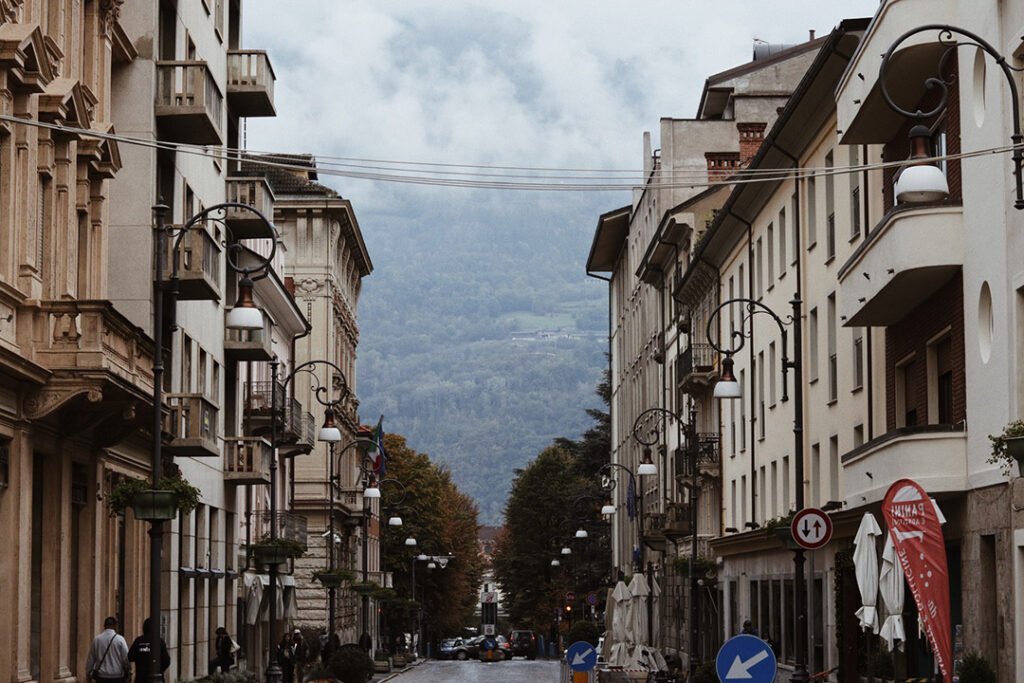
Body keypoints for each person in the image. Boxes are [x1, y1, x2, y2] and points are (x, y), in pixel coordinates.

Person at [86, 617, 130, 683]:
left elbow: (91, 659)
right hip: (117, 676)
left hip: (101, 677)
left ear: (104, 626)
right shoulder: (120, 639)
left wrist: (88, 673)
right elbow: (126, 658)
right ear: (115, 626)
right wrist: (129, 671)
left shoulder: (97, 639)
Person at [127, 618, 170, 683]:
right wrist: (159, 670)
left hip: (141, 678)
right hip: (156, 678)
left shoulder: (139, 641)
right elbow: (166, 661)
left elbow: (130, 657)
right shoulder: (159, 641)